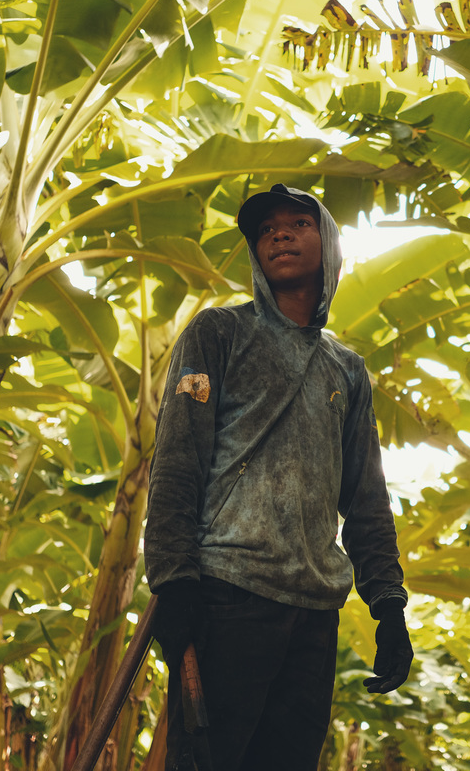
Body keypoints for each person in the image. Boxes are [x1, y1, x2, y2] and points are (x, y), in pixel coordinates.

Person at [144, 184, 412, 770]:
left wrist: (388, 605)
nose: (280, 234)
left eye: (298, 223)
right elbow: (177, 462)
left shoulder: (347, 370)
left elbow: (366, 499)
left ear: (330, 246)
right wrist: (172, 580)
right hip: (226, 594)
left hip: (314, 612)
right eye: (266, 229)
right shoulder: (218, 334)